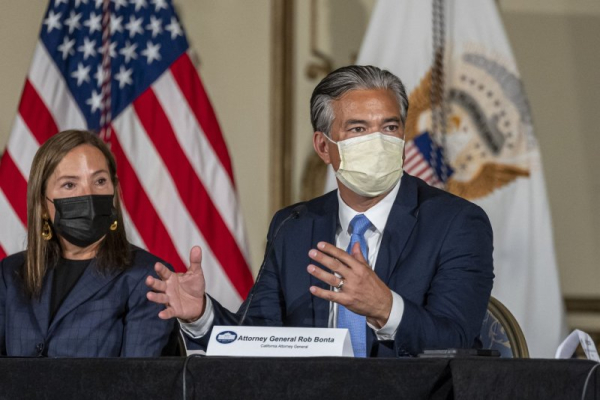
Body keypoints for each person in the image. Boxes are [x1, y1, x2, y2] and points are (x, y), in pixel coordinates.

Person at [146, 65, 494, 357]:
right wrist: (202, 315)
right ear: (324, 147)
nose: (379, 141)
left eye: (390, 127)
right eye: (358, 128)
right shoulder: (293, 226)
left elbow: (457, 341)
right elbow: (257, 337)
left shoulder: (457, 223)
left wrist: (385, 307)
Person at [0, 130, 175, 357]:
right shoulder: (9, 274)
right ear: (42, 204)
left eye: (100, 181)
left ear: (114, 190)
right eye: (70, 185)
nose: (89, 195)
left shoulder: (147, 277)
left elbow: (138, 376)